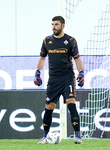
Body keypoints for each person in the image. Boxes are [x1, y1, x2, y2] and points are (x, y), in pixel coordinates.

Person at [34, 16, 84, 144]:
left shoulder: (71, 41)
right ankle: (45, 136)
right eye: (52, 24)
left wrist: (81, 73)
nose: (53, 27)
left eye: (56, 24)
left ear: (63, 25)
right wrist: (37, 73)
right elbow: (42, 58)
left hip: (67, 78)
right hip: (53, 79)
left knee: (71, 102)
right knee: (49, 107)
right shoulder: (47, 41)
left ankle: (77, 136)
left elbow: (77, 59)